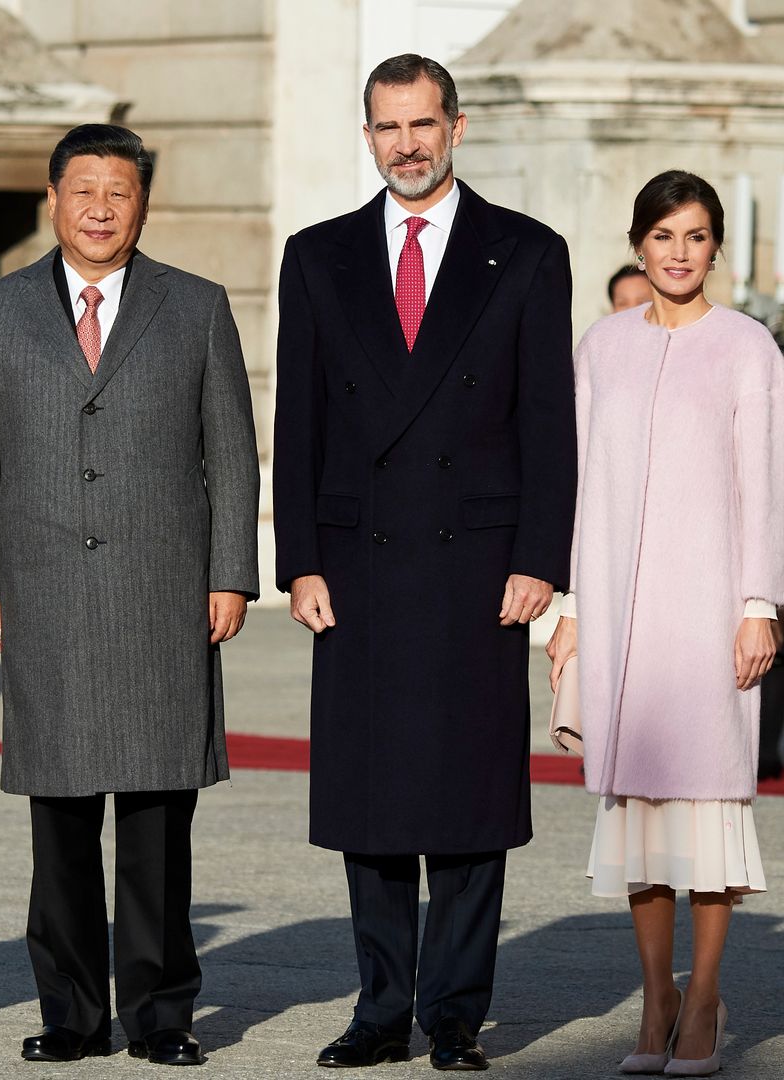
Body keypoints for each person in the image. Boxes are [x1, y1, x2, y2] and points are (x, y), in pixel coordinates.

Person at [273, 54, 576, 1071]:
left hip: (479, 563)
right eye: (386, 127)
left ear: (455, 127)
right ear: (369, 136)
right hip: (357, 564)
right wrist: (300, 561)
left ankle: (453, 1013)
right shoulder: (318, 256)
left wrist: (541, 557)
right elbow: (300, 418)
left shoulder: (526, 253)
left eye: (422, 125)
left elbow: (548, 419)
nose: (405, 144)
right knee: (371, 796)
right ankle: (378, 1007)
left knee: (469, 797)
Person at [0, 123, 259, 1066]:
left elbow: (233, 451)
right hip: (41, 591)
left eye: (118, 192)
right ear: (54, 199)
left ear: (143, 204)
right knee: (61, 821)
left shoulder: (195, 306)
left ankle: (162, 1015)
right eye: (83, 189)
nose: (99, 208)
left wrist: (229, 572)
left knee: (160, 824)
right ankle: (73, 1013)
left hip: (164, 594)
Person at [547, 170, 783, 1077]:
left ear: (714, 246)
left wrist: (758, 604)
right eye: (662, 236)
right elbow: (579, 484)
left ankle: (707, 1000)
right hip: (616, 608)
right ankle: (656, 1001)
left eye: (693, 236)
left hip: (708, 608)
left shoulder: (747, 348)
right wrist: (570, 609)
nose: (677, 253)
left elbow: (765, 484)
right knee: (641, 815)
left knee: (709, 809)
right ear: (638, 244)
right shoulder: (601, 346)